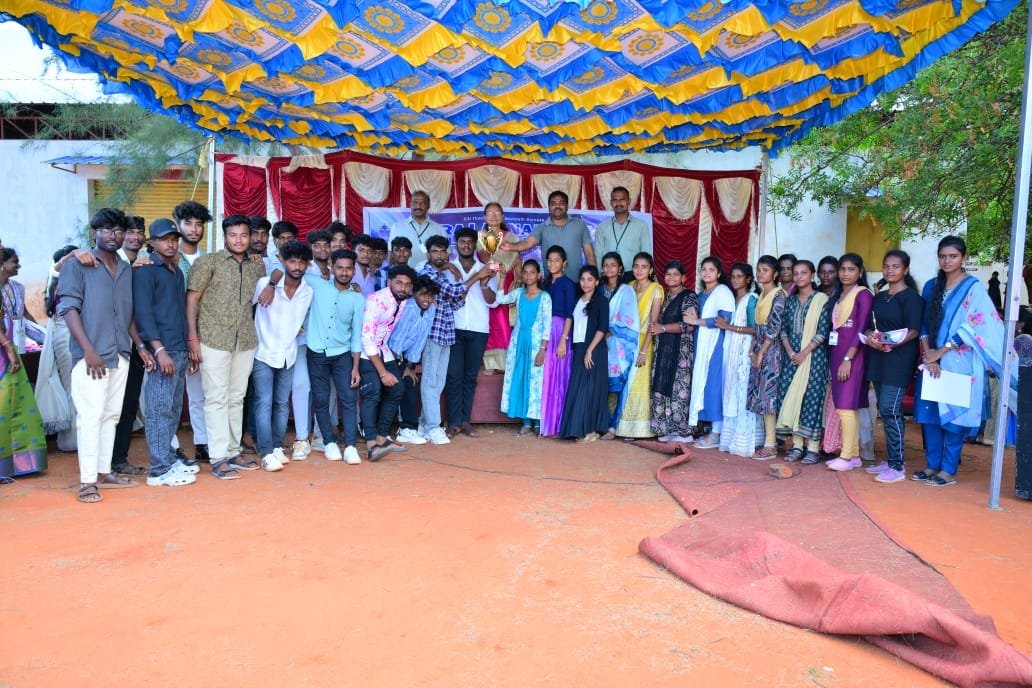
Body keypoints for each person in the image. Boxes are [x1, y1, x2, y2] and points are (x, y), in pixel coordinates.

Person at [59, 208, 154, 503]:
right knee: (90, 416)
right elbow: (68, 309)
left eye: (118, 231)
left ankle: (103, 471)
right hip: (91, 356)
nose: (113, 236)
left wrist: (139, 347)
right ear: (94, 233)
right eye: (107, 230)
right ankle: (87, 481)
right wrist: (88, 349)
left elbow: (127, 314)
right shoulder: (79, 265)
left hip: (120, 353)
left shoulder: (125, 268)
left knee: (111, 415)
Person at [915, 236, 1017, 487]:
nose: (947, 261)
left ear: (963, 258)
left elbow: (976, 325)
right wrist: (929, 355)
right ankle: (932, 465)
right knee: (931, 414)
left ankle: (948, 471)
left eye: (953, 256)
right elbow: (923, 323)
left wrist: (941, 352)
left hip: (959, 361)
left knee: (954, 417)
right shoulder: (930, 286)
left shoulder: (973, 288)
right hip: (930, 360)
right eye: (942, 256)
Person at [186, 215, 266, 480]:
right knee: (216, 398)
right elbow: (192, 300)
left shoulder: (256, 267)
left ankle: (233, 451)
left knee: (236, 397)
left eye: (243, 235)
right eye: (233, 235)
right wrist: (192, 339)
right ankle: (218, 457)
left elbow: (266, 289)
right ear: (224, 237)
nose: (239, 240)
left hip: (245, 340)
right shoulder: (207, 262)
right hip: (213, 339)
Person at [133, 219, 199, 487]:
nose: (170, 244)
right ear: (152, 242)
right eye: (164, 239)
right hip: (162, 349)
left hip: (178, 347)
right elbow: (143, 313)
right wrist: (158, 350)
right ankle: (159, 470)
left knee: (172, 409)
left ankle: (169, 460)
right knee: (158, 410)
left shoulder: (176, 271)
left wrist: (187, 346)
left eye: (174, 239)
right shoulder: (145, 270)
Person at [418, 235, 493, 444]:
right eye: (435, 251)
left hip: (446, 334)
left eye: (443, 251)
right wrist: (474, 278)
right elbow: (453, 291)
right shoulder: (427, 273)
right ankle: (433, 426)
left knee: (439, 382)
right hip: (433, 333)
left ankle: (424, 424)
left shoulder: (443, 274)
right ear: (428, 254)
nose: (439, 255)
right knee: (433, 381)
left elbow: (455, 301)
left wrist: (468, 287)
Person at [252, 241, 314, 471]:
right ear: (283, 262)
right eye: (292, 261)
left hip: (289, 353)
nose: (297, 266)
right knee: (264, 401)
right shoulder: (264, 284)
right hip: (263, 352)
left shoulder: (307, 292)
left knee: (281, 403)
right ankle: (266, 452)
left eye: (301, 262)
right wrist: (271, 283)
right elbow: (246, 307)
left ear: (307, 265)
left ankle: (277, 446)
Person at [863, 250, 923, 483]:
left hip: (899, 359)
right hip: (878, 357)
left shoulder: (911, 298)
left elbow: (914, 330)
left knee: (890, 409)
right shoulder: (879, 297)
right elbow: (870, 325)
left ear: (905, 270)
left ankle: (897, 466)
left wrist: (892, 343)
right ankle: (890, 460)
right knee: (884, 409)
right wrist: (870, 336)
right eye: (886, 266)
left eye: (896, 267)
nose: (890, 270)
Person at [306, 249, 367, 466]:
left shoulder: (357, 299)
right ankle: (329, 442)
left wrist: (356, 367)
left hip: (342, 354)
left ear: (354, 270)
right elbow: (290, 269)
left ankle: (350, 446)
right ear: (332, 266)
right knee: (321, 399)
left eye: (348, 268)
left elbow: (357, 335)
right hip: (316, 352)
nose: (344, 272)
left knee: (349, 399)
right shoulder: (316, 285)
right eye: (340, 267)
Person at [360, 264, 418, 461]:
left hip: (384, 350)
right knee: (373, 393)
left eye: (407, 285)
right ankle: (371, 445)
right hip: (367, 353)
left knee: (397, 390)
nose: (403, 288)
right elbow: (367, 338)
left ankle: (382, 438)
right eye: (399, 283)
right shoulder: (375, 300)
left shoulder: (403, 301)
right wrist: (383, 373)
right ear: (389, 282)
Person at [446, 228, 498, 438]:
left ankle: (465, 421)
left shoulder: (486, 268)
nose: (466, 245)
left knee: (469, 377)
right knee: (453, 376)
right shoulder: (449, 269)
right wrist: (477, 277)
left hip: (478, 328)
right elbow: (453, 295)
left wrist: (484, 285)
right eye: (462, 242)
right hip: (454, 328)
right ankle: (453, 422)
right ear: (456, 244)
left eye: (469, 242)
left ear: (475, 245)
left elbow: (492, 301)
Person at [777, 260, 831, 463]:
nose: (799, 277)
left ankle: (813, 448)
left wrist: (804, 352)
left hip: (814, 358)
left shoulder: (822, 299)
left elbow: (823, 331)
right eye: (796, 273)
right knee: (791, 397)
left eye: (803, 273)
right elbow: (783, 330)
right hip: (792, 358)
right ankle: (797, 446)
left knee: (811, 399)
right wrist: (791, 352)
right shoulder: (790, 301)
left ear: (812, 275)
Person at [0, 249, 47, 483]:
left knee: (17, 402)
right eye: (14, 262)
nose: (18, 266)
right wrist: (7, 346)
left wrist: (43, 336)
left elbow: (24, 316)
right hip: (5, 349)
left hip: (13, 342)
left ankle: (21, 463)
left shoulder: (17, 288)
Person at [824, 253, 874, 472]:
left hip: (853, 356)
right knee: (844, 407)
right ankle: (853, 455)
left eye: (851, 269)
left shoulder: (863, 294)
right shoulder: (839, 294)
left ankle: (846, 456)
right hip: (838, 354)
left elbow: (860, 329)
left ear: (860, 272)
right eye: (842, 269)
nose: (846, 273)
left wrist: (848, 359)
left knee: (846, 406)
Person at [174, 200, 213, 463]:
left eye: (199, 224)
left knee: (200, 394)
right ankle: (170, 447)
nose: (194, 229)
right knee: (171, 395)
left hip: (202, 336)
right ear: (177, 224)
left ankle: (203, 443)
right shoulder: (167, 257)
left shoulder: (207, 259)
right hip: (172, 336)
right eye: (188, 223)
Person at [684, 256, 735, 449]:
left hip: (716, 345)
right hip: (701, 342)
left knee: (713, 386)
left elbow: (724, 320)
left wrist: (696, 321)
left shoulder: (723, 292)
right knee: (703, 386)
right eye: (703, 269)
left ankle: (716, 433)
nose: (706, 273)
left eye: (711, 269)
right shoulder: (701, 294)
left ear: (719, 273)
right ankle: (707, 428)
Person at [497, 260, 552, 435]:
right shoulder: (519, 293)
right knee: (520, 379)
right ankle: (526, 422)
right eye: (525, 272)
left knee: (535, 382)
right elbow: (500, 300)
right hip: (518, 344)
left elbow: (547, 325)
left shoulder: (545, 297)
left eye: (532, 272)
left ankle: (538, 422)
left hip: (535, 345)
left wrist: (542, 350)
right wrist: (502, 278)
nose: (528, 276)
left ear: (539, 275)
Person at [714, 262, 760, 457]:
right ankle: (731, 438)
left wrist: (729, 327)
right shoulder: (732, 299)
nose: (735, 280)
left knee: (742, 393)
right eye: (733, 276)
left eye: (739, 276)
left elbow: (755, 329)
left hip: (744, 353)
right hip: (732, 353)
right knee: (731, 391)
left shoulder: (751, 299)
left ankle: (745, 440)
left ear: (748, 279)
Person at [559, 265, 610, 441]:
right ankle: (578, 429)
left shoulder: (601, 301)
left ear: (596, 282)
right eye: (582, 279)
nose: (585, 283)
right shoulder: (577, 300)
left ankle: (590, 430)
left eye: (590, 279)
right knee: (579, 388)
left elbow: (602, 328)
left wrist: (590, 350)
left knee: (589, 391)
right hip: (579, 348)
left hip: (594, 350)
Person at [650, 261, 699, 443]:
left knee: (678, 388)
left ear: (683, 278)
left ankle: (683, 432)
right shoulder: (664, 296)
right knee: (661, 385)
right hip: (663, 349)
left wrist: (663, 328)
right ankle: (664, 428)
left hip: (680, 352)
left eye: (675, 274)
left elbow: (689, 325)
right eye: (668, 274)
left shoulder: (689, 297)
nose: (671, 277)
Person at [615, 252, 663, 438]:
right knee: (624, 381)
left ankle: (638, 429)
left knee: (638, 383)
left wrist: (643, 351)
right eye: (636, 266)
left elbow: (653, 322)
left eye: (644, 267)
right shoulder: (628, 287)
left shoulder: (656, 289)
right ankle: (620, 426)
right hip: (625, 342)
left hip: (644, 341)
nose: (639, 270)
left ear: (650, 270)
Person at [501, 191, 596, 281]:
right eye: (553, 203)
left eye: (561, 203)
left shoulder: (579, 225)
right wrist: (511, 246)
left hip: (576, 282)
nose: (557, 206)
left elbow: (589, 253)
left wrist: (594, 276)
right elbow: (528, 243)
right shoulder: (542, 228)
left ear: (567, 206)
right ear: (549, 207)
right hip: (551, 283)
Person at [391, 276, 439, 446]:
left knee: (411, 384)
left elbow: (421, 339)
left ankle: (408, 427)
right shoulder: (409, 308)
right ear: (414, 293)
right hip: (390, 353)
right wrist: (401, 365)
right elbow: (396, 340)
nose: (427, 299)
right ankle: (401, 428)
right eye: (423, 294)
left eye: (431, 295)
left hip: (406, 357)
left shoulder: (431, 310)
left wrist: (410, 365)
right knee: (397, 388)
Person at [747, 255, 786, 460]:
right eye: (759, 269)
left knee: (768, 395)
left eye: (765, 270)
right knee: (760, 395)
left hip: (772, 351)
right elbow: (758, 327)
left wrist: (761, 352)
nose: (760, 273)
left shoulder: (779, 295)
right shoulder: (762, 294)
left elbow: (774, 327)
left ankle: (771, 444)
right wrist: (753, 350)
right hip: (760, 346)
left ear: (775, 274)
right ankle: (766, 439)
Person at [599, 252, 639, 439]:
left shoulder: (626, 290)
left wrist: (611, 330)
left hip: (619, 346)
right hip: (599, 343)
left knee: (617, 387)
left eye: (613, 265)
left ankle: (613, 427)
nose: (609, 268)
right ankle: (601, 424)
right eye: (606, 265)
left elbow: (629, 318)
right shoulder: (598, 288)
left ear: (620, 268)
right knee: (600, 386)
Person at [479, 202, 521, 374]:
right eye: (490, 213)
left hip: (508, 283)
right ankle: (490, 363)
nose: (494, 216)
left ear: (503, 216)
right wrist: (496, 265)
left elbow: (517, 262)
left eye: (497, 213)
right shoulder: (481, 237)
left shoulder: (512, 238)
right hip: (488, 281)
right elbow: (483, 259)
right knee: (490, 322)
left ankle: (505, 363)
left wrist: (518, 281)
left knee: (504, 322)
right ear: (484, 217)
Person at [540, 245, 576, 437]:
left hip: (560, 331)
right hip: (545, 332)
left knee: (559, 376)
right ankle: (546, 421)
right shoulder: (545, 284)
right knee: (546, 375)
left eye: (556, 260)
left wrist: (563, 340)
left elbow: (570, 314)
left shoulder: (568, 284)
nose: (552, 263)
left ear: (564, 263)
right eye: (549, 260)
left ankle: (559, 423)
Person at [593, 187, 652, 273]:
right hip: (609, 275)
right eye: (615, 200)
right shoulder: (602, 227)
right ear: (611, 203)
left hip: (633, 275)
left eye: (622, 200)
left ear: (629, 201)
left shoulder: (641, 225)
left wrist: (645, 276)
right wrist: (599, 275)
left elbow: (646, 254)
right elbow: (598, 255)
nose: (618, 203)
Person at [388, 190, 442, 268]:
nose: (418, 206)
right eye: (415, 202)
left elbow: (445, 256)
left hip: (429, 274)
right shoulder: (397, 227)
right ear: (410, 204)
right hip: (403, 274)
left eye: (422, 203)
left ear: (428, 206)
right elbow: (390, 253)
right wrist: (389, 273)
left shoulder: (438, 228)